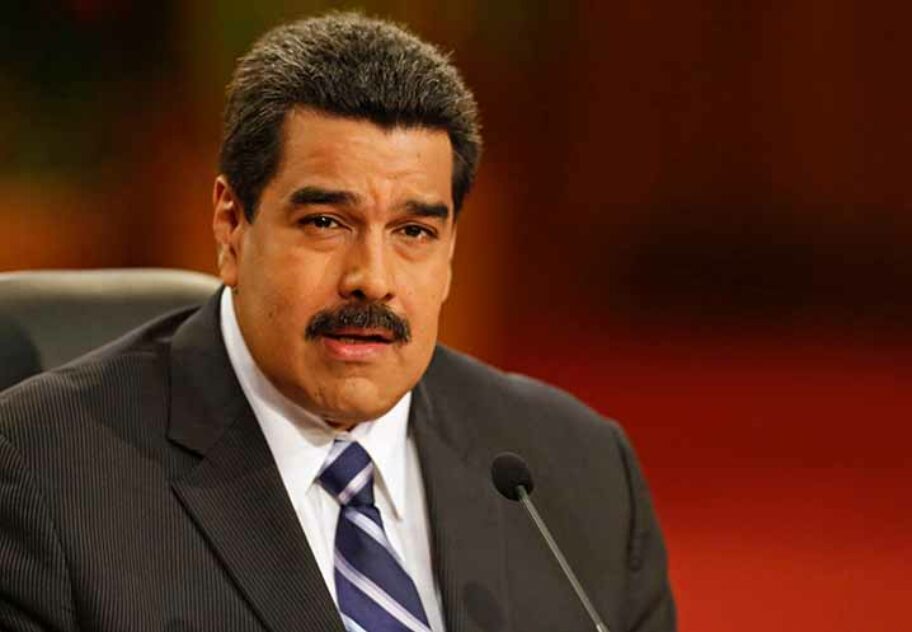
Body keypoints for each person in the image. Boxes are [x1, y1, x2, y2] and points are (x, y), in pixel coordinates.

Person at [0, 12, 675, 632]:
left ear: (450, 254)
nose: (372, 278)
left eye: (413, 231)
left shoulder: (577, 470)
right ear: (231, 226)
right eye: (326, 222)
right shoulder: (47, 477)